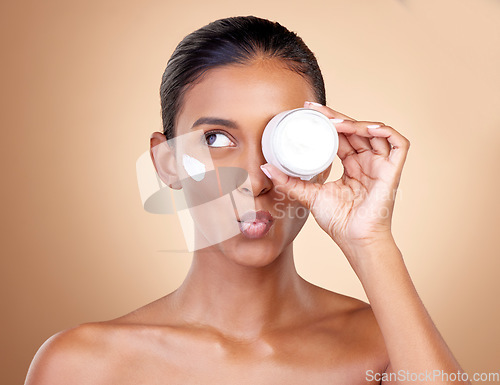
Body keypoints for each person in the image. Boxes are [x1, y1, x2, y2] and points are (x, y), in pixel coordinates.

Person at [25, 16, 469, 384]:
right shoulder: (82, 366)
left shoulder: (386, 347)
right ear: (167, 162)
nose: (256, 180)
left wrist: (370, 242)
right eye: (216, 138)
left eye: (285, 139)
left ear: (324, 156)